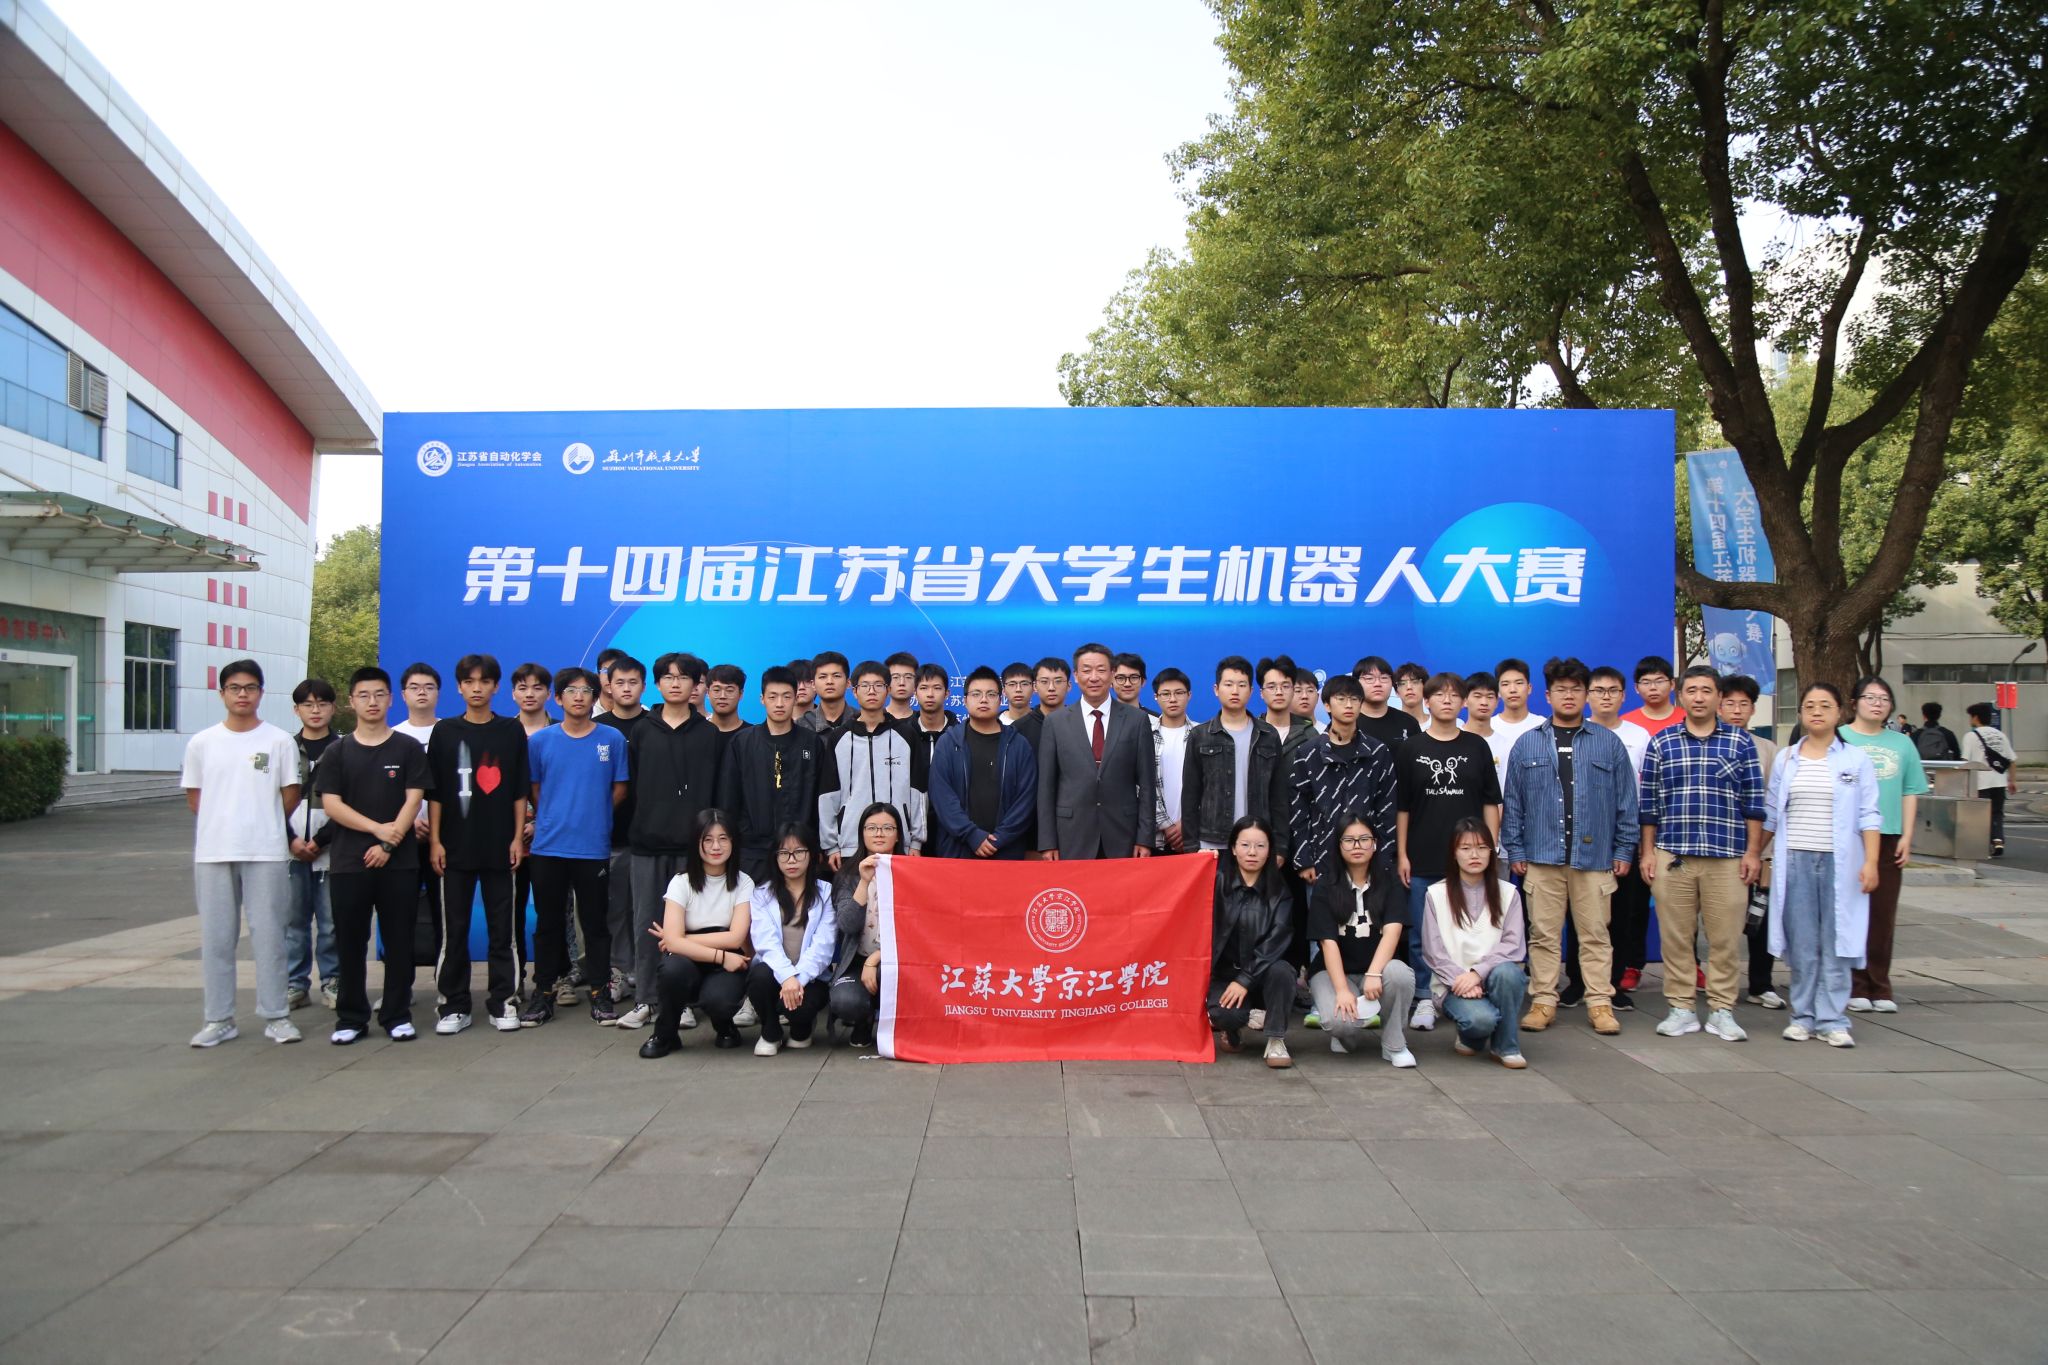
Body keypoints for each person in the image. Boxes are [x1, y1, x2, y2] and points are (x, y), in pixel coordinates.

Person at [1502, 657, 1637, 1038]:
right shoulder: (1528, 743)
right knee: (1543, 935)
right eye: (1561, 689)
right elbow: (1513, 802)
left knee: (1595, 935)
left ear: (1586, 695)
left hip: (1593, 859)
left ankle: (1600, 1003)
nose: (1569, 696)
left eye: (1576, 689)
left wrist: (1624, 849)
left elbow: (1626, 801)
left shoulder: (1608, 743)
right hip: (1542, 857)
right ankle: (1543, 1001)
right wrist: (1515, 850)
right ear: (1547, 695)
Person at [1639, 666, 1764, 1042]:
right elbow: (1649, 806)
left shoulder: (1740, 743)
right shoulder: (1662, 743)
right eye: (1691, 690)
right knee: (1676, 937)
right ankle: (1681, 1008)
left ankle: (1722, 1010)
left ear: (1718, 698)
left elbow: (1754, 803)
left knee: (1724, 939)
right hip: (1673, 855)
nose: (1698, 697)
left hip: (1727, 856)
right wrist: (1648, 852)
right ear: (1680, 696)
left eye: (1706, 690)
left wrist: (1753, 853)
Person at [181, 659, 302, 1048]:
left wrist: (262, 822)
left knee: (270, 936)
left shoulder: (278, 741)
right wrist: (226, 823)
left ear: (261, 693)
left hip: (265, 850)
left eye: (250, 687)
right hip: (214, 851)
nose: (243, 695)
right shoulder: (202, 743)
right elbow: (196, 798)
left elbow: (290, 794)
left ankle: (276, 1015)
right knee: (217, 939)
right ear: (222, 694)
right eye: (235, 688)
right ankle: (219, 1018)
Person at [1762, 683, 1881, 1048]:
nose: (1817, 711)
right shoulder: (1786, 759)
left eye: (1825, 705)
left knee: (1836, 940)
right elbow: (1771, 813)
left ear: (1840, 713)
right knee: (1802, 942)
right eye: (1810, 705)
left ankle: (1832, 1019)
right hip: (1795, 860)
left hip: (1840, 862)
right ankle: (1802, 1016)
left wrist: (1872, 861)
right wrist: (1753, 853)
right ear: (1800, 713)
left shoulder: (1855, 760)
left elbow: (1869, 813)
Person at [316, 667, 431, 1045]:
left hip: (400, 862)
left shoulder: (407, 748)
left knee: (399, 940)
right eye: (364, 695)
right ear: (351, 701)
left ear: (390, 699)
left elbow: (414, 799)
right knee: (350, 942)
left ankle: (396, 1014)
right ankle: (351, 1017)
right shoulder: (337, 751)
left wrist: (388, 843)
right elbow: (332, 804)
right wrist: (377, 830)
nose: (372, 702)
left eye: (379, 694)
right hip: (349, 863)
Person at [426, 653, 530, 1036]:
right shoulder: (444, 732)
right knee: (454, 931)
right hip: (454, 848)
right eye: (469, 682)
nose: (476, 688)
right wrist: (435, 840)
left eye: (484, 681)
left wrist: (517, 837)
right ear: (458, 687)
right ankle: (453, 1005)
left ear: (496, 686)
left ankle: (504, 1001)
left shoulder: (510, 730)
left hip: (500, 847)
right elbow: (435, 793)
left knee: (503, 931)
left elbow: (519, 790)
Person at [621, 652, 723, 1030]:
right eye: (668, 677)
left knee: (691, 928)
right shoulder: (642, 731)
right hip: (647, 845)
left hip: (691, 850)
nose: (675, 683)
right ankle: (647, 999)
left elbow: (717, 792)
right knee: (647, 924)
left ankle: (683, 1003)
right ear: (657, 683)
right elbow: (631, 786)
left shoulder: (709, 734)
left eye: (683, 678)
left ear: (696, 685)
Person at [1394, 671, 1501, 1029]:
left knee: (1471, 930)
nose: (1447, 700)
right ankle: (1425, 997)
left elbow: (1490, 802)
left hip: (1470, 859)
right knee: (1421, 935)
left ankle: (1468, 991)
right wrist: (1402, 853)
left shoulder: (1476, 746)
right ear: (1426, 701)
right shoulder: (1411, 748)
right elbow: (1402, 808)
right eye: (1439, 695)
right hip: (1422, 855)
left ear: (1463, 702)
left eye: (1455, 695)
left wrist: (1490, 847)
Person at [519, 667, 626, 1027]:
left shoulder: (611, 739)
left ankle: (599, 993)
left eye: (586, 691)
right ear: (558, 698)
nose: (579, 697)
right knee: (548, 924)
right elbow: (535, 789)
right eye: (571, 690)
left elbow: (619, 788)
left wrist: (592, 814)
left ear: (596, 697)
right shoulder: (540, 742)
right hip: (549, 847)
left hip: (592, 846)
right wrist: (554, 816)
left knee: (595, 924)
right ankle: (543, 992)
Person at [1838, 675, 1930, 1014]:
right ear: (1854, 703)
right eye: (1870, 697)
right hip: (1848, 837)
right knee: (1848, 912)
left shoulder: (1902, 744)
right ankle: (1854, 984)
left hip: (1889, 835)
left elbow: (1910, 791)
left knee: (1882, 914)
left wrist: (1907, 836)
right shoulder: (1839, 738)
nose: (1877, 703)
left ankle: (1880, 985)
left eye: (1884, 699)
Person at [641, 809, 756, 1056]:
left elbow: (736, 937)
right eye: (708, 839)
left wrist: (679, 938)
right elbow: (674, 945)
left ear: (733, 842)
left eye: (723, 838)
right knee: (672, 970)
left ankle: (724, 1026)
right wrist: (720, 955)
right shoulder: (680, 882)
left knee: (720, 1000)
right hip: (697, 959)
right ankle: (665, 1034)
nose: (716, 846)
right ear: (697, 843)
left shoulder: (744, 882)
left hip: (728, 960)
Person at [1306, 817, 1417, 1067]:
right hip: (1333, 973)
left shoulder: (1389, 882)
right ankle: (1345, 1037)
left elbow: (1393, 932)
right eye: (1349, 840)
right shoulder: (1325, 886)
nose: (1357, 846)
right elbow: (1327, 942)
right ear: (1339, 846)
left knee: (1400, 974)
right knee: (1339, 1022)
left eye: (1364, 839)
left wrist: (1374, 973)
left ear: (1375, 844)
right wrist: (1342, 990)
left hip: (1378, 971)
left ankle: (1394, 1045)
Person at [1420, 818, 1530, 1068]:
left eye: (1482, 847)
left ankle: (1505, 1047)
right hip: (1453, 984)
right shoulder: (1436, 894)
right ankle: (1471, 1036)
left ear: (1492, 852)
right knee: (1480, 1021)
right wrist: (1462, 980)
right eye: (1466, 848)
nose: (1474, 855)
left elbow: (1513, 945)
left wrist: (1477, 974)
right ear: (1454, 853)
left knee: (1509, 973)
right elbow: (1433, 951)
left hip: (1494, 978)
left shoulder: (1508, 893)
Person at [1036, 643, 1157, 859]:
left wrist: (1144, 838)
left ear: (1112, 674)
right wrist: (1047, 841)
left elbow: (1148, 785)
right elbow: (1046, 787)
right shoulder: (1056, 722)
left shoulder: (1136, 720)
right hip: (1071, 835)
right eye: (1086, 670)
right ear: (1075, 676)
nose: (1094, 677)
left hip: (1124, 835)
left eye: (1101, 670)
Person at [719, 665, 831, 884]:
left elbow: (821, 797)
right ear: (762, 699)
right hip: (752, 852)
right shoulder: (742, 742)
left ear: (795, 698)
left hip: (799, 851)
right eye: (773, 697)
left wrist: (816, 844)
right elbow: (728, 799)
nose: (779, 704)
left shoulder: (811, 742)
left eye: (786, 696)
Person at [1290, 673, 1399, 888]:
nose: (1348, 705)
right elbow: (1298, 809)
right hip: (1322, 860)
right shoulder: (1308, 753)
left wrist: (1385, 858)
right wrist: (1304, 859)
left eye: (1354, 699)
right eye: (1341, 699)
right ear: (1327, 705)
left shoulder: (1377, 751)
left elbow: (1387, 807)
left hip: (1370, 861)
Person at [1206, 816, 1297, 1068]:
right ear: (1233, 848)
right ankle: (1235, 1029)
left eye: (1260, 846)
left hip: (1263, 974)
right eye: (1245, 845)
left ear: (1270, 851)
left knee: (1283, 972)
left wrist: (1245, 979)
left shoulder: (1280, 891)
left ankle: (1276, 1040)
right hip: (1225, 974)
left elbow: (1278, 938)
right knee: (1224, 1014)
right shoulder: (1217, 882)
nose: (1252, 852)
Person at [820, 660, 929, 862]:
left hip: (898, 843)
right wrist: (831, 845)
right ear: (854, 691)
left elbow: (918, 791)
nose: (872, 691)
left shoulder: (906, 735)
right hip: (850, 844)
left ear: (888, 690)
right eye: (865, 686)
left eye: (878, 685)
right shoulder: (839, 737)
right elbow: (828, 794)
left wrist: (915, 841)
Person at [1181, 656, 1291, 857]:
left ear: (1251, 690)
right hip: (1212, 844)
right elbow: (1190, 795)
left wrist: (1281, 847)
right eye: (1229, 684)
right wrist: (1191, 846)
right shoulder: (1200, 735)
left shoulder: (1268, 735)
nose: (1235, 691)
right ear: (1216, 689)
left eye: (1241, 685)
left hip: (1257, 843)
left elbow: (1278, 797)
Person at [1719, 675, 1784, 1010]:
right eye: (1730, 703)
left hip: (1760, 850)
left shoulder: (1768, 750)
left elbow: (1773, 804)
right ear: (1719, 706)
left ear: (1753, 709)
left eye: (1743, 704)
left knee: (1761, 919)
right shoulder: (1709, 743)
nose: (1736, 710)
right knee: (1717, 922)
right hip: (1719, 850)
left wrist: (1757, 849)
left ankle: (1761, 984)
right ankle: (1716, 983)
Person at [743, 825, 837, 1056]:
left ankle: (802, 1028)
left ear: (812, 855)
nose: (791, 860)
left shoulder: (826, 892)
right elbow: (766, 943)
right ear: (775, 857)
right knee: (758, 978)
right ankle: (770, 1031)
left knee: (801, 1015)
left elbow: (823, 946)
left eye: (799, 852)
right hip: (774, 973)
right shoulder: (761, 894)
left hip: (810, 978)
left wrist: (798, 980)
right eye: (784, 853)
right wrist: (787, 977)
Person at [1589, 664, 1652, 1004]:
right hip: (1586, 838)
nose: (1606, 697)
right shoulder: (1578, 733)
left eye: (1612, 691)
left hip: (1626, 835)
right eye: (1599, 690)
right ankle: (1580, 981)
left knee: (1623, 912)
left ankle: (1613, 983)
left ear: (1624, 696)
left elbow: (1646, 791)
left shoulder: (1639, 736)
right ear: (1588, 696)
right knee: (1585, 915)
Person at [928, 667, 1037, 858]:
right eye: (976, 694)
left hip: (1006, 851)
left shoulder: (1018, 745)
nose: (984, 699)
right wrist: (971, 835)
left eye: (991, 694)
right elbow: (942, 796)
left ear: (1000, 699)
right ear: (965, 700)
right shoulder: (948, 743)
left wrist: (1000, 838)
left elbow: (1026, 800)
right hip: (958, 850)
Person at [592, 654, 647, 1005]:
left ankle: (645, 971)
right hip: (608, 837)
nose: (626, 689)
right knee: (613, 909)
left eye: (633, 682)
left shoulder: (654, 725)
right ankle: (618, 970)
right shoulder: (597, 728)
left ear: (644, 686)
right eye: (619, 682)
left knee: (646, 910)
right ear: (608, 686)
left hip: (647, 837)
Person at [828, 802, 907, 1047]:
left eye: (887, 828)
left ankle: (896, 1023)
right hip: (857, 960)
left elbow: (916, 930)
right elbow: (848, 925)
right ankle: (863, 1019)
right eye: (871, 827)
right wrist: (863, 882)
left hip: (900, 959)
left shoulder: (911, 872)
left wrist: (875, 959)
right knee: (845, 1001)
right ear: (862, 833)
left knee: (886, 973)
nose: (879, 834)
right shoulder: (847, 875)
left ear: (898, 835)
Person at [285, 678, 339, 1012]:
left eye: (322, 704)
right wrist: (290, 839)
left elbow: (352, 801)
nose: (315, 710)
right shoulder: (284, 748)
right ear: (297, 710)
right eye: (308, 704)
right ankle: (295, 983)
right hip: (289, 850)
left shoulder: (344, 748)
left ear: (333, 707)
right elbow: (269, 802)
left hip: (331, 850)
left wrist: (320, 840)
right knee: (294, 922)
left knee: (331, 923)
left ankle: (333, 980)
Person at [393, 662, 443, 989]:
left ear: (438, 693)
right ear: (403, 694)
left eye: (428, 687)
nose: (421, 692)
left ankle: (445, 986)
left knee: (444, 916)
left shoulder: (448, 733)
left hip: (442, 840)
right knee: (400, 917)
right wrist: (407, 823)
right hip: (402, 839)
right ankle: (401, 988)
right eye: (414, 687)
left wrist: (436, 828)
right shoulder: (394, 736)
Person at [508, 661, 555, 991]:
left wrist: (540, 822)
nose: (530, 694)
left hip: (550, 837)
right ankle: (514, 980)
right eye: (523, 688)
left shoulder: (563, 732)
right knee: (510, 914)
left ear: (549, 694)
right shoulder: (502, 733)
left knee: (552, 914)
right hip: (508, 841)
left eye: (537, 688)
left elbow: (566, 788)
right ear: (513, 693)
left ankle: (554, 979)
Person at [1963, 702, 2018, 858]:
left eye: (1970, 717)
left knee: (1980, 815)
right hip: (1999, 782)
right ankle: (1998, 840)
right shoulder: (2000, 735)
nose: (1970, 720)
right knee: (1997, 812)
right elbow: (2012, 760)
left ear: (1975, 717)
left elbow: (1965, 761)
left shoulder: (1970, 736)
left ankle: (1982, 845)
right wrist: (2012, 781)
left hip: (1981, 782)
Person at [1153, 667, 1195, 853]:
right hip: (1155, 838)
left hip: (1193, 835)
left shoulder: (1203, 734)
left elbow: (1211, 785)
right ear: (1156, 697)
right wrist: (1166, 825)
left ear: (1189, 695)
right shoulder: (1145, 735)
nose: (1172, 699)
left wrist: (1188, 821)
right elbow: (1139, 786)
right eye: (1165, 694)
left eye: (1179, 693)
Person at [1353, 656, 1420, 751]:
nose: (1377, 684)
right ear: (1356, 684)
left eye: (1384, 678)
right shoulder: (1347, 722)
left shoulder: (1408, 722)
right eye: (1369, 678)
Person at [1489, 658, 1543, 755]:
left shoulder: (1543, 726)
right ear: (1498, 691)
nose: (1513, 690)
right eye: (1505, 684)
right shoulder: (1489, 726)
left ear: (1529, 688)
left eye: (1519, 683)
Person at [909, 662, 957, 767]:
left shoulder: (959, 735)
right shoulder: (904, 735)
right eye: (924, 688)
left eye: (937, 688)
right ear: (915, 693)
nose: (930, 694)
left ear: (947, 694)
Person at [798, 651, 854, 738]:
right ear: (813, 685)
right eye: (823, 677)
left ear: (848, 683)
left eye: (836, 676)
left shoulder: (861, 721)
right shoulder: (800, 725)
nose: (829, 682)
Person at [1621, 656, 1681, 735]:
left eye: (1659, 681)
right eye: (1646, 682)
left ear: (1672, 684)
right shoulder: (1625, 724)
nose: (1653, 687)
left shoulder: (1687, 719)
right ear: (1636, 688)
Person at [706, 663, 749, 754]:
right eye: (717, 690)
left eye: (729, 690)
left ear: (741, 694)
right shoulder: (696, 733)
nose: (722, 696)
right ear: (707, 693)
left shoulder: (753, 735)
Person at [884, 651, 919, 723]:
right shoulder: (874, 719)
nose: (902, 683)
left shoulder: (923, 721)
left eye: (908, 677)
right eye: (895, 677)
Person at [1394, 661, 1430, 731]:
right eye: (1402, 683)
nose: (1409, 687)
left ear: (1425, 688)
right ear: (1396, 692)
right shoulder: (1389, 725)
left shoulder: (1438, 724)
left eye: (1415, 682)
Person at [1000, 661, 1035, 727]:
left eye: (1024, 684)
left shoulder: (1045, 723)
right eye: (1012, 684)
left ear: (1033, 688)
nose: (1018, 689)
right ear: (1003, 690)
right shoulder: (992, 723)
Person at [1290, 666, 1322, 734]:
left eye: (1310, 691)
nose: (1304, 696)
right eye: (1298, 691)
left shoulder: (1327, 733)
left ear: (1317, 697)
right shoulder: (1276, 733)